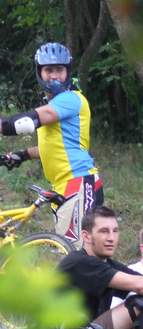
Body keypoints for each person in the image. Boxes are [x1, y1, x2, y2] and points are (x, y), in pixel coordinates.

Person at [0, 42, 104, 243]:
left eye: (59, 70)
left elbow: (25, 123)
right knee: (75, 253)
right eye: (49, 70)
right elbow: (56, 147)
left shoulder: (70, 99)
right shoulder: (55, 104)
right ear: (39, 72)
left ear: (68, 72)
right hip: (65, 186)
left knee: (79, 254)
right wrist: (21, 155)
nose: (54, 76)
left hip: (78, 182)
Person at [58, 206, 143, 329]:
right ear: (86, 236)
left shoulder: (108, 265)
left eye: (115, 231)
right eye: (104, 231)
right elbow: (141, 285)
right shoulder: (78, 262)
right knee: (139, 304)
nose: (111, 238)